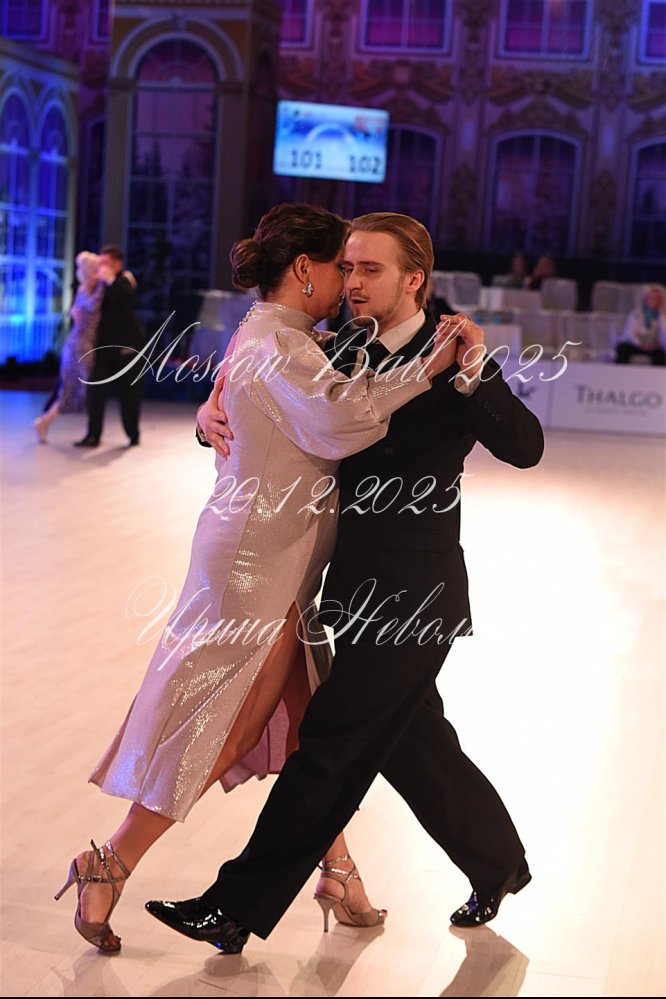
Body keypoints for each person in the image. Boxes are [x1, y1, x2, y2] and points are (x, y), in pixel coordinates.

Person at [55, 204, 455, 954]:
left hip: (278, 557)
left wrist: (210, 407)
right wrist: (425, 371)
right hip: (255, 562)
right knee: (228, 720)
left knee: (308, 727)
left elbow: (283, 399)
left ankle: (338, 871)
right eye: (341, 266)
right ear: (304, 268)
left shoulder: (279, 336)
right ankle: (110, 861)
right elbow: (340, 421)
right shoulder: (277, 343)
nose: (349, 282)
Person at [146, 211, 544, 952]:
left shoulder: (453, 352)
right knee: (415, 743)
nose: (353, 281)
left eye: (371, 269)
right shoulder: (335, 350)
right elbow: (274, 411)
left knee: (330, 742)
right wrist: (208, 415)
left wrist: (473, 374)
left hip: (415, 595)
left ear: (414, 279)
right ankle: (498, 861)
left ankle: (235, 906)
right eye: (349, 267)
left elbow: (526, 446)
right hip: (347, 587)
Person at [75, 244, 145, 448]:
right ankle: (92, 435)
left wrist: (111, 280)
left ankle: (133, 434)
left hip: (127, 349)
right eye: (101, 262)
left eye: (106, 262)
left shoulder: (124, 281)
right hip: (103, 348)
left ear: (118, 263)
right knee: (95, 392)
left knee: (129, 395)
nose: (101, 266)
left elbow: (129, 302)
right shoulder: (97, 284)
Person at [33, 252, 104, 443]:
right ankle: (44, 423)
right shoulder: (88, 290)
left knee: (75, 390)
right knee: (73, 390)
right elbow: (93, 305)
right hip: (79, 346)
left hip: (82, 344)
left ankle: (46, 423)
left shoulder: (87, 289)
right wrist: (103, 283)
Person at [615, 284, 666, 366]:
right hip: (636, 344)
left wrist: (661, 316)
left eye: (655, 299)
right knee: (622, 349)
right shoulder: (635, 314)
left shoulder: (662, 317)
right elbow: (629, 334)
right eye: (650, 298)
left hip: (653, 346)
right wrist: (641, 345)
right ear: (645, 299)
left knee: (660, 355)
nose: (652, 301)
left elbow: (663, 337)